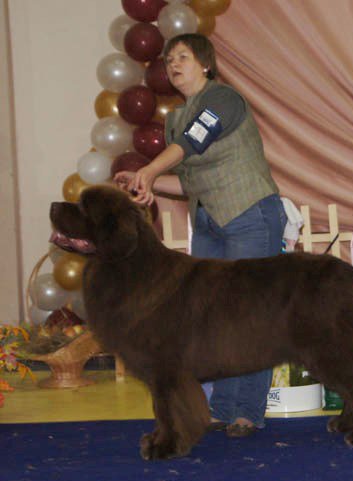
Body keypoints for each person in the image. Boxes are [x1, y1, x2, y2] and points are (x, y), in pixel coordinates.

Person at [114, 33, 286, 437]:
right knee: (213, 321)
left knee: (250, 317)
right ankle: (222, 409)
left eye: (184, 57)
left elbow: (194, 142)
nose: (173, 65)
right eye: (169, 59)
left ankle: (247, 412)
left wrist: (151, 169)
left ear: (205, 64)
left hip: (249, 214)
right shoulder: (176, 117)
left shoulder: (224, 99)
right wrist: (147, 183)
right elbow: (189, 182)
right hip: (209, 221)